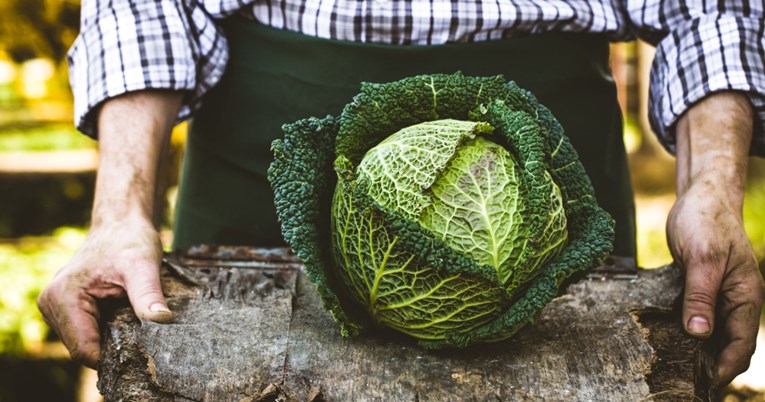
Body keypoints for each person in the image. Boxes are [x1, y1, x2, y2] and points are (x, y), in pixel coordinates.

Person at [38, 0, 764, 386]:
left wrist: (714, 188)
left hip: (549, 166)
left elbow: (708, 7)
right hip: (256, 166)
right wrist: (119, 213)